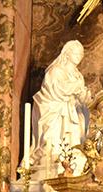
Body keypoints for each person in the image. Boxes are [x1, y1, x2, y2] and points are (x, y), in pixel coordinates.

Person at [29, 40, 91, 180]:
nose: (79, 56)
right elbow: (55, 90)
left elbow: (80, 96)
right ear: (67, 53)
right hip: (56, 109)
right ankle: (55, 156)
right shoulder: (56, 70)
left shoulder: (78, 75)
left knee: (76, 136)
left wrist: (84, 96)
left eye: (81, 53)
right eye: (76, 52)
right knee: (55, 144)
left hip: (73, 111)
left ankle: (73, 155)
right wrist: (74, 89)